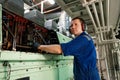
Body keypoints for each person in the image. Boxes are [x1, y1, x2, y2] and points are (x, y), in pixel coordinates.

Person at [34, 17, 100, 80]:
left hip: (87, 77)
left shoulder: (83, 39)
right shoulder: (85, 38)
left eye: (76, 24)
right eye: (71, 25)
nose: (73, 27)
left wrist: (40, 46)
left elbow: (59, 49)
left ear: (83, 26)